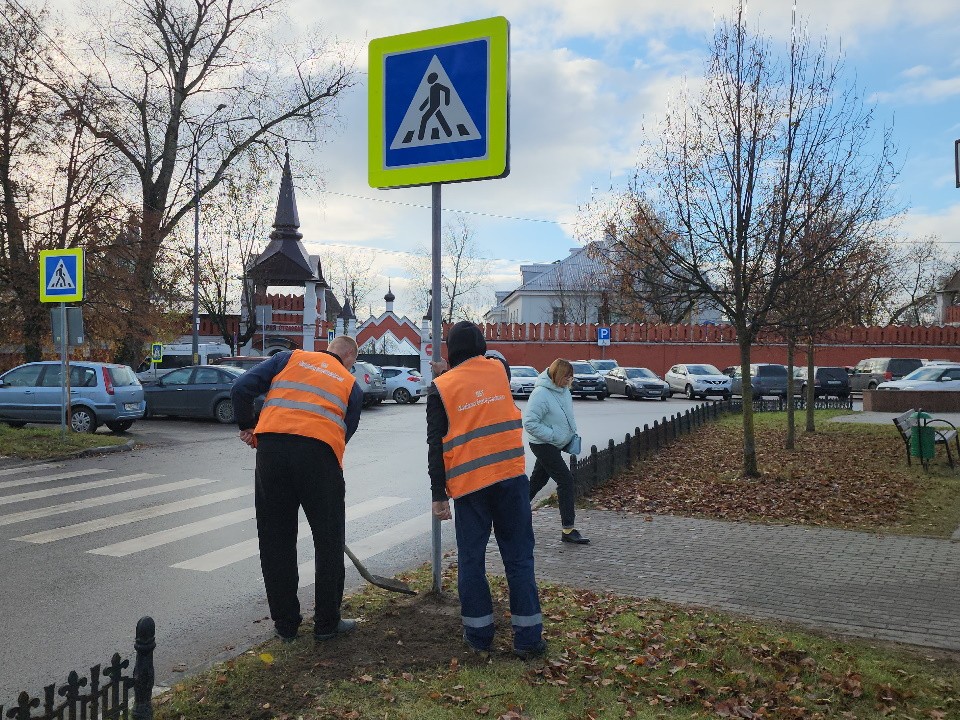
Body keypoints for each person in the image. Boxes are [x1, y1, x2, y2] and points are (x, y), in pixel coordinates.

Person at [231, 336, 364, 643]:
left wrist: (247, 425)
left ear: (328, 351)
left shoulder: (289, 358)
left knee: (275, 538)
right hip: (320, 456)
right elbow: (346, 432)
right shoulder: (350, 384)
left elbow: (240, 389)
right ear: (350, 360)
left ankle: (286, 625)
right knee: (329, 540)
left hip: (272, 451)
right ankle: (327, 623)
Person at [427, 321, 546, 659]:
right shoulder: (499, 371)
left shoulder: (440, 387)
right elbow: (493, 358)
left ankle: (479, 636)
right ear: (480, 347)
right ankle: (528, 640)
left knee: (471, 561)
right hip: (510, 480)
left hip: (470, 489)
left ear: (450, 353)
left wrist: (438, 495)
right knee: (519, 559)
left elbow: (435, 445)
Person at [523, 359, 590, 545]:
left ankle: (511, 514)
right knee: (566, 480)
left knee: (538, 481)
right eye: (567, 376)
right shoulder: (541, 394)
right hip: (543, 444)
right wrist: (552, 435)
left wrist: (569, 433)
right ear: (557, 375)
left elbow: (566, 415)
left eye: (571, 376)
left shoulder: (563, 391)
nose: (570, 380)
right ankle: (568, 529)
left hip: (555, 443)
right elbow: (529, 423)